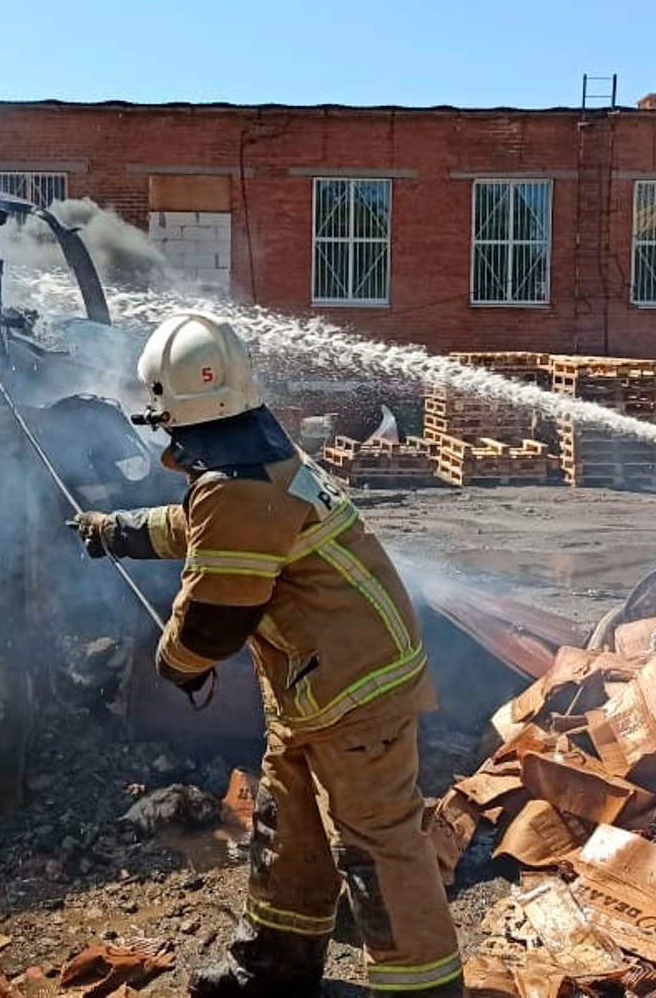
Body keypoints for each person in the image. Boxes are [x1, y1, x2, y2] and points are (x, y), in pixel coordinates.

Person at [69, 312, 461, 998]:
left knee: (377, 846)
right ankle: (275, 970)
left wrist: (176, 666)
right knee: (289, 824)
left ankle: (423, 988)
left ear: (177, 412)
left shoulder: (240, 485)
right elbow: (201, 525)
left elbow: (214, 619)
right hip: (320, 684)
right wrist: (117, 532)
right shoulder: (259, 462)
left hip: (356, 694)